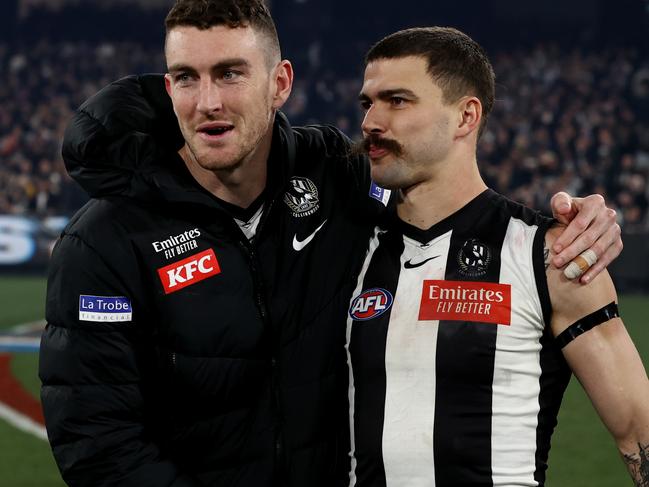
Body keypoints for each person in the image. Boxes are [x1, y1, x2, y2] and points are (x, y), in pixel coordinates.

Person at [39, 1, 623, 486]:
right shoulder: (103, 243)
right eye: (187, 78)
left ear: (280, 83)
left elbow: (437, 185)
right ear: (168, 89)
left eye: (231, 73)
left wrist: (589, 219)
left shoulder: (333, 178)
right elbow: (99, 447)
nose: (208, 101)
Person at [345, 26, 649, 487]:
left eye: (398, 100)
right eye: (368, 103)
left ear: (466, 116)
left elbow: (637, 430)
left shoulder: (549, 256)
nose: (371, 121)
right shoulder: (346, 249)